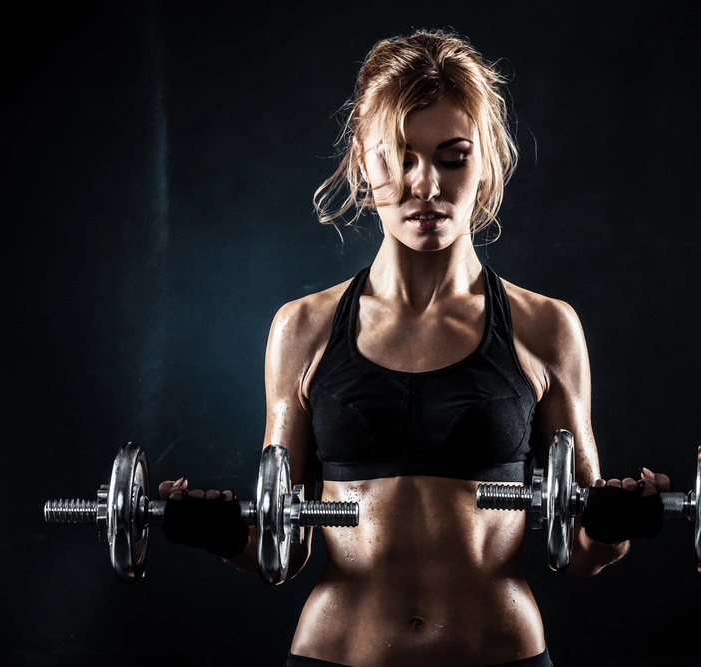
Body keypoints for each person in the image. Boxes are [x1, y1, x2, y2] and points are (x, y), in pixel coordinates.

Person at [158, 28, 671, 667]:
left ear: (486, 161)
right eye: (398, 156)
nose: (424, 183)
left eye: (452, 157)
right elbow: (280, 552)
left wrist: (619, 523)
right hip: (336, 653)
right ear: (360, 160)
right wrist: (225, 532)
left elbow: (584, 550)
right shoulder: (303, 329)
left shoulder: (546, 329)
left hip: (500, 654)